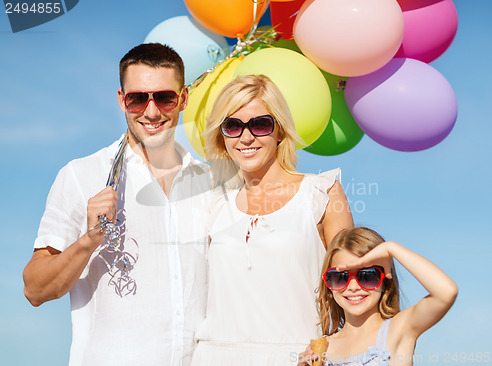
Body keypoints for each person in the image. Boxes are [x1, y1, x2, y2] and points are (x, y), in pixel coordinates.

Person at [23, 43, 211, 366]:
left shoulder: (209, 182)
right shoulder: (81, 175)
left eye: (164, 97)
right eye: (138, 98)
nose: (151, 112)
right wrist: (88, 241)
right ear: (121, 100)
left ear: (183, 99)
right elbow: (35, 289)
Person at [190, 74, 354, 366]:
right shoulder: (211, 204)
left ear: (280, 131)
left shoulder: (322, 193)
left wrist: (330, 346)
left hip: (298, 357)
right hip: (213, 357)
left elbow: (353, 288)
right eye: (233, 126)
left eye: (260, 124)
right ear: (221, 135)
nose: (246, 136)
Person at [297, 227, 458, 366]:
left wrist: (391, 249)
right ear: (328, 285)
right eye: (340, 278)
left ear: (385, 281)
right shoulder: (322, 348)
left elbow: (446, 292)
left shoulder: (399, 329)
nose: (353, 287)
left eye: (367, 276)